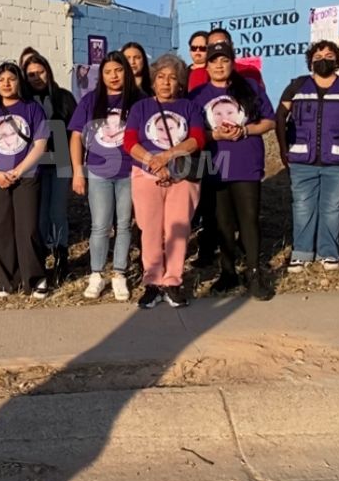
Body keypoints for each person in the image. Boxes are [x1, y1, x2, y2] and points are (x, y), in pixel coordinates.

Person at [190, 41, 276, 300]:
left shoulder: (249, 88)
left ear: (232, 62)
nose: (219, 65)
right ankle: (227, 272)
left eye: (224, 60)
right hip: (214, 163)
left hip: (245, 162)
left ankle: (253, 272)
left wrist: (246, 130)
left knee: (248, 219)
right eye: (214, 60)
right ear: (206, 65)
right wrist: (212, 133)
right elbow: (191, 132)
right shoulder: (197, 95)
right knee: (221, 222)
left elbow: (269, 121)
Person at [125, 53, 206, 308]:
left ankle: (173, 281)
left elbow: (197, 139)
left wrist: (168, 157)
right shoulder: (141, 107)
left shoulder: (188, 107)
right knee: (149, 229)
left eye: (172, 78)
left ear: (180, 83)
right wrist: (153, 162)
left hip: (182, 176)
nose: (166, 82)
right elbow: (130, 142)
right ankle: (152, 281)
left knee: (178, 228)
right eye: (161, 77)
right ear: (153, 81)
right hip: (146, 174)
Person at [275, 41, 339, 276]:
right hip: (302, 160)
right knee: (302, 207)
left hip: (337, 161)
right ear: (310, 61)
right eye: (318, 55)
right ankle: (301, 253)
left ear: (337, 60)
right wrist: (283, 149)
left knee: (332, 207)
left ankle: (328, 252)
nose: (323, 59)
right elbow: (280, 117)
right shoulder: (298, 86)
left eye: (329, 55)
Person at [70, 52, 142, 301]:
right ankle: (97, 273)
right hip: (99, 172)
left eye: (119, 70)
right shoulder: (91, 100)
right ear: (101, 75)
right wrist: (78, 171)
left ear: (127, 72)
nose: (114, 76)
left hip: (130, 172)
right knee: (100, 225)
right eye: (108, 71)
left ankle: (119, 273)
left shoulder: (138, 101)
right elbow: (76, 136)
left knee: (123, 224)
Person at [0, 62, 50, 297]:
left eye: (11, 79)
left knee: (27, 228)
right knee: (0, 229)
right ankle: (6, 280)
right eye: (1, 80)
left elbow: (40, 144)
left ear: (19, 82)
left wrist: (19, 170)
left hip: (26, 176)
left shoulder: (32, 109)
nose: (6, 84)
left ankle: (35, 278)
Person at [23, 53, 77, 283]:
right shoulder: (23, 99)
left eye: (40, 72)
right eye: (31, 74)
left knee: (57, 211)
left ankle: (61, 256)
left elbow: (75, 132)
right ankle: (42, 255)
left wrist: (76, 165)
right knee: (39, 212)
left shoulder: (64, 97)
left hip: (61, 157)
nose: (36, 77)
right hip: (33, 161)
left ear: (49, 71)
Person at [187, 29, 264, 91]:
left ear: (231, 46)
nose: (218, 48)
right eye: (212, 45)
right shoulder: (198, 74)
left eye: (222, 44)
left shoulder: (249, 71)